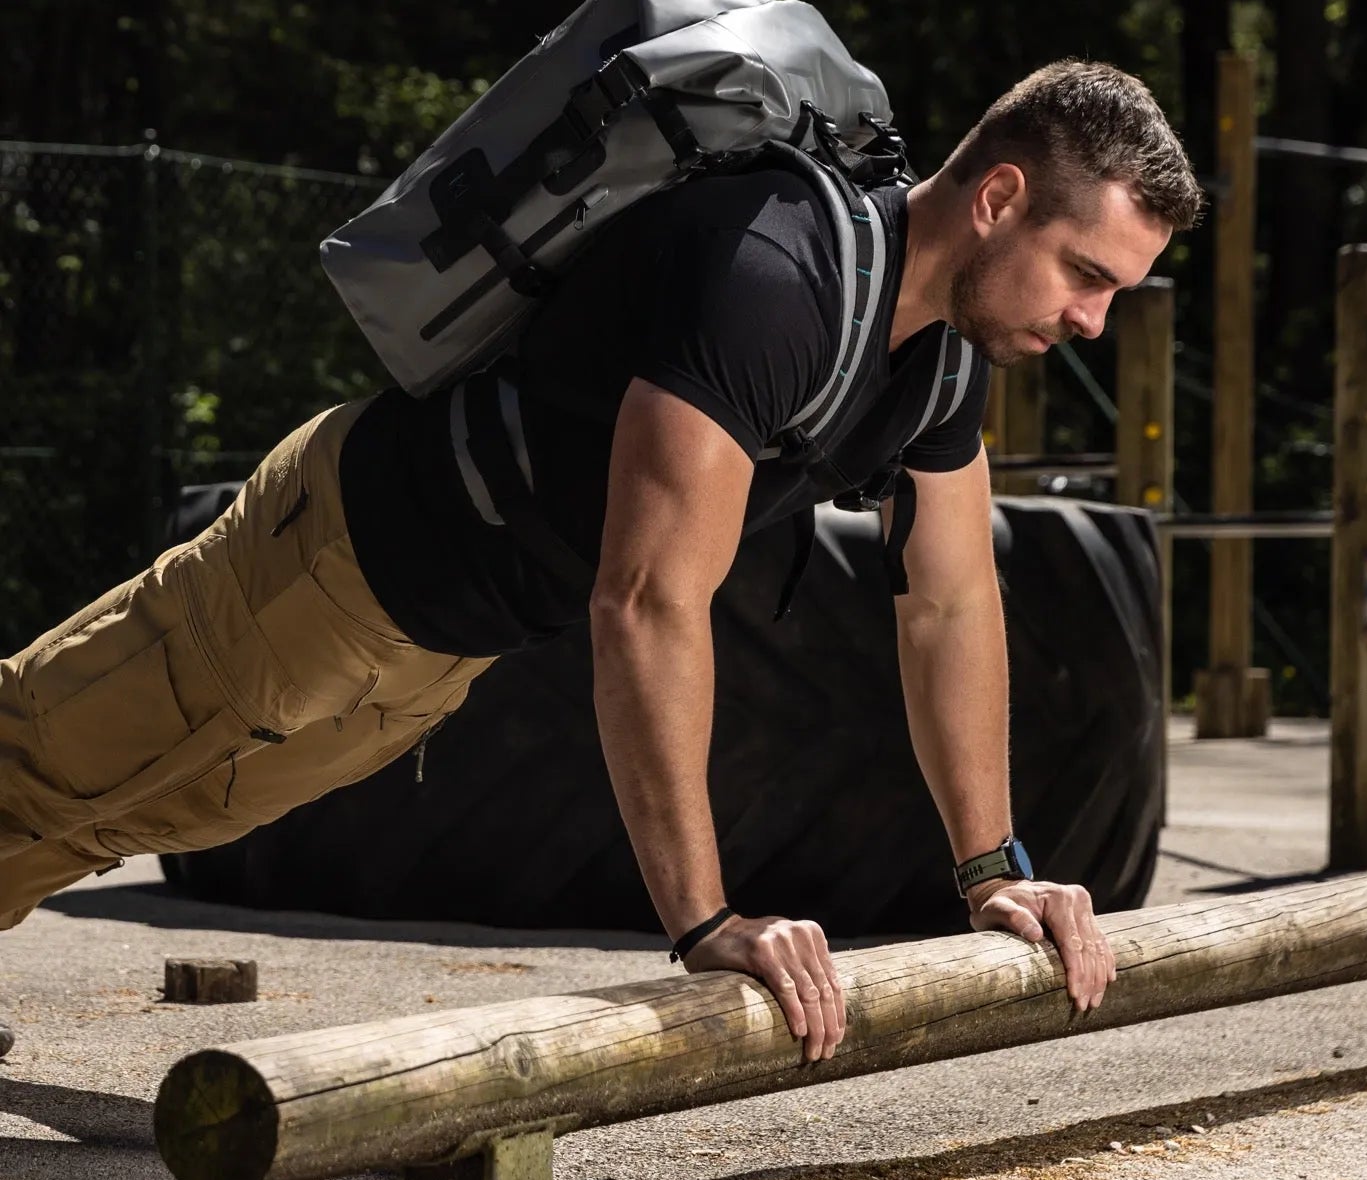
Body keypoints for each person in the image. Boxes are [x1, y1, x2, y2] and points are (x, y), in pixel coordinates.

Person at [0, 59, 1202, 1063]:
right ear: (998, 197)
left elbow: (950, 600)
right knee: (40, 759)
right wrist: (706, 922)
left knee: (113, 811)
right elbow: (646, 600)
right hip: (329, 562)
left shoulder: (942, 363)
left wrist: (991, 873)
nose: (1093, 320)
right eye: (1086, 275)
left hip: (441, 648)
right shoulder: (776, 278)